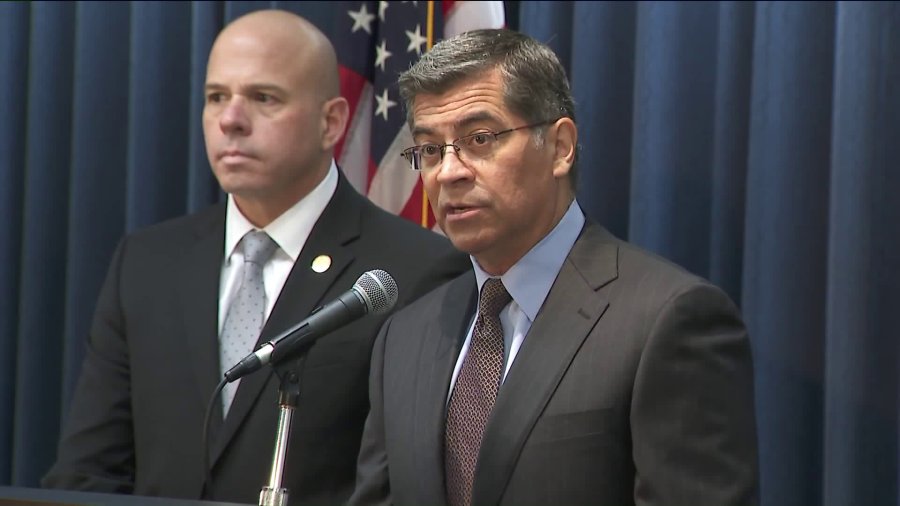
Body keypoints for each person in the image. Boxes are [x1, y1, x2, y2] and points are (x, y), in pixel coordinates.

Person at [42, 10, 469, 506]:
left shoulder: (415, 269)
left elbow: (409, 483)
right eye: (216, 97)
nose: (230, 120)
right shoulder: (146, 263)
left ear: (331, 121)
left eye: (263, 98)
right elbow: (88, 472)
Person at [350, 28, 759, 506]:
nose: (449, 172)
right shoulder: (405, 336)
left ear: (560, 146)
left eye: (479, 139)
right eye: (431, 150)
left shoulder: (666, 320)